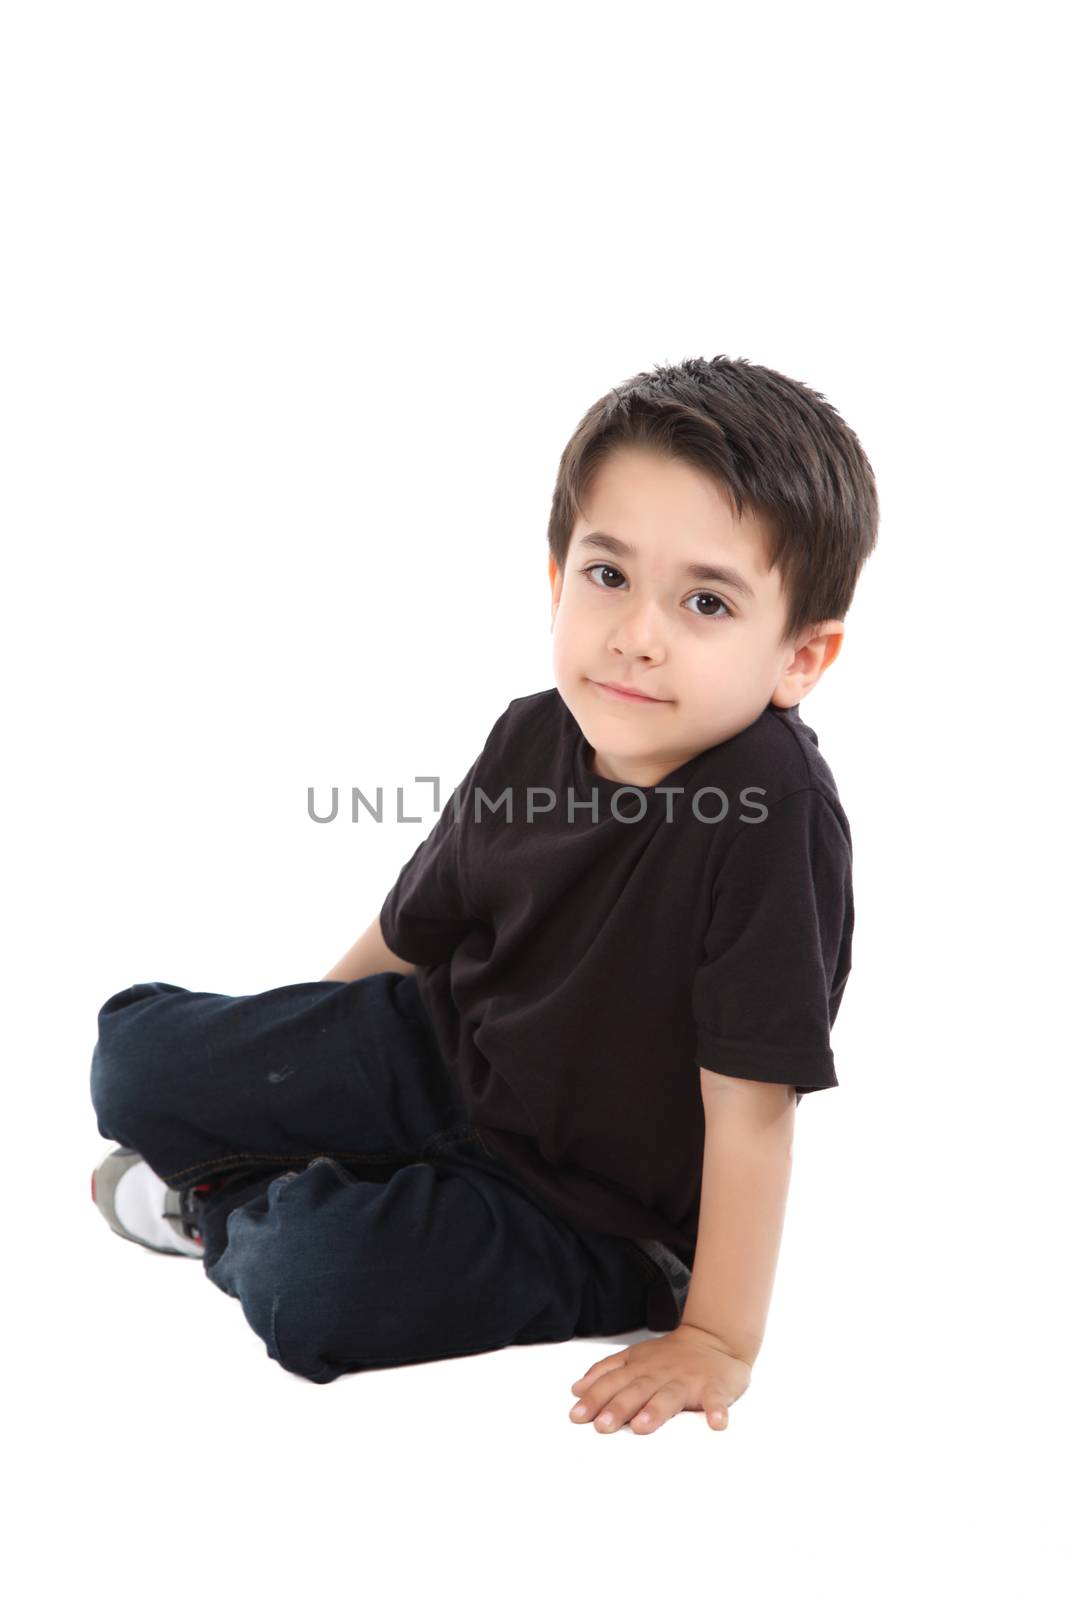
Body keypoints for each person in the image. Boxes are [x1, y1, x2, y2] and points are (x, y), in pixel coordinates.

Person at [89, 354, 878, 1432]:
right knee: (134, 1059)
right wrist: (290, 1074)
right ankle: (286, 1160)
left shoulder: (769, 814)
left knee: (308, 1286)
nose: (635, 633)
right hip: (439, 1055)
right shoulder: (532, 731)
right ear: (556, 580)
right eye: (608, 576)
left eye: (703, 601)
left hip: (582, 1204)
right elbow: (409, 933)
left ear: (800, 656)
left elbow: (750, 1107)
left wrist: (716, 1335)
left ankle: (220, 1205)